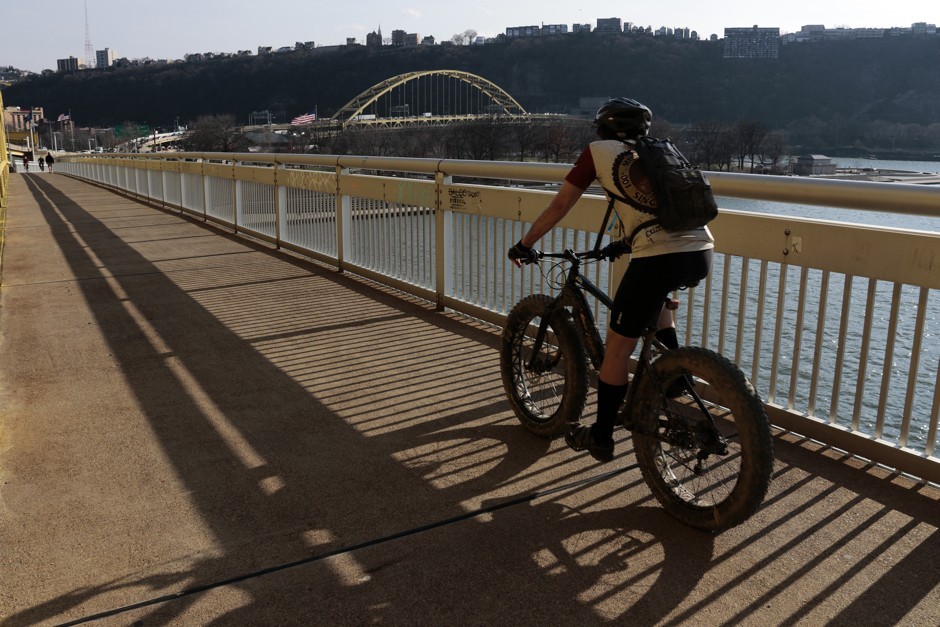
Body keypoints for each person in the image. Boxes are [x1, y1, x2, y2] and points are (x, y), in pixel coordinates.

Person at [507, 97, 714, 463]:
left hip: (657, 255)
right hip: (700, 249)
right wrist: (620, 243)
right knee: (655, 301)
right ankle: (676, 376)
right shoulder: (660, 151)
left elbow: (560, 206)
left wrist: (526, 244)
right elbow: (652, 206)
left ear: (604, 129)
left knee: (617, 350)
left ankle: (601, 436)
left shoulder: (597, 153)